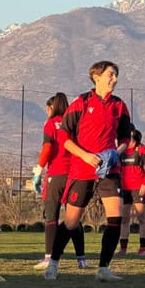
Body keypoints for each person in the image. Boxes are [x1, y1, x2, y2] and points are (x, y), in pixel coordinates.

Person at [43, 60, 132, 282]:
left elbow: (125, 138)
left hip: (109, 170)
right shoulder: (81, 102)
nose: (115, 79)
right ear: (96, 77)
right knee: (71, 222)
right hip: (82, 169)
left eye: (116, 75)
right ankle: (53, 263)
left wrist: (116, 153)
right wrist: (85, 156)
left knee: (116, 217)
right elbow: (64, 137)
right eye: (111, 74)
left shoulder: (119, 105)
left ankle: (103, 268)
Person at [32, 92, 88, 271]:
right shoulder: (74, 123)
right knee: (73, 218)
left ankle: (49, 257)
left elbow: (48, 147)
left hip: (56, 174)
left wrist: (38, 170)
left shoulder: (51, 123)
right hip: (75, 174)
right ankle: (81, 259)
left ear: (51, 107)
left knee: (51, 217)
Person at [118, 128, 145, 256]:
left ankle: (142, 249)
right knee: (124, 219)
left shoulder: (141, 149)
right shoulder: (121, 150)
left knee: (141, 217)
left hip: (138, 189)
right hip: (124, 189)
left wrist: (144, 184)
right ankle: (123, 249)